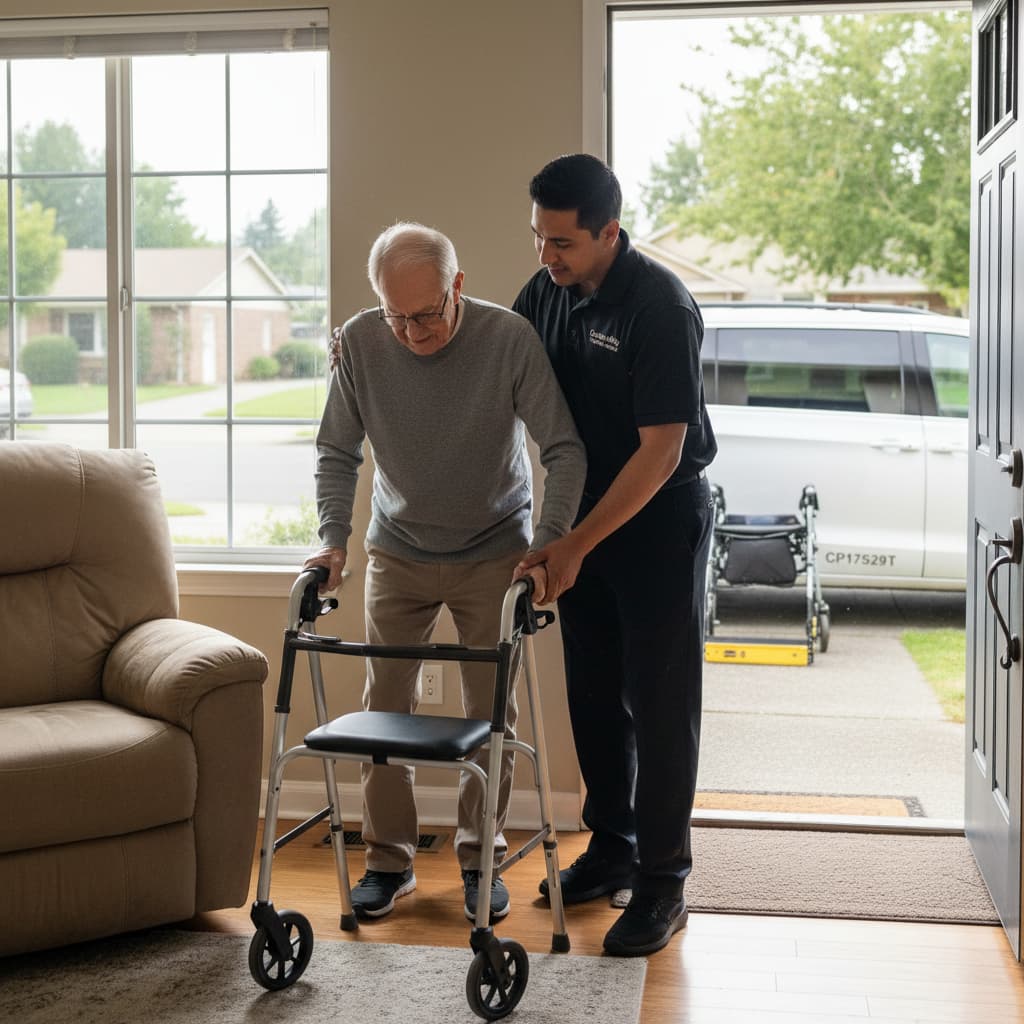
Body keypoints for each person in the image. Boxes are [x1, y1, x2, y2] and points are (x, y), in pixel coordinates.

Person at [304, 221, 585, 924]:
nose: (412, 332)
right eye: (396, 316)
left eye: (427, 313)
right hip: (397, 549)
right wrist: (333, 542)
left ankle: (478, 858)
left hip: (495, 550)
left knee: (490, 714)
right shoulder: (364, 341)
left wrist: (548, 546)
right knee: (382, 709)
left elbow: (564, 447)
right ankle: (388, 862)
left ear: (457, 285)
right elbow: (337, 451)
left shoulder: (508, 339)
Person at [511, 154, 717, 957]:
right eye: (537, 237)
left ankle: (664, 885)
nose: (545, 256)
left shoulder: (659, 305)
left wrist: (575, 544)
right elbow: (495, 355)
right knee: (594, 695)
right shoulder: (548, 293)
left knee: (660, 705)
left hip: (656, 519)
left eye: (561, 242)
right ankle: (612, 848)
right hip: (582, 525)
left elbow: (661, 451)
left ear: (609, 231)